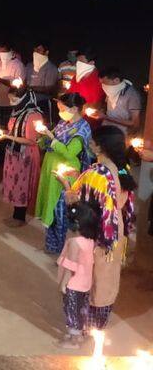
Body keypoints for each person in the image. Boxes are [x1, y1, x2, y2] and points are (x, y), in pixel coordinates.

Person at [62, 125, 137, 332]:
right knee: (106, 280)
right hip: (114, 232)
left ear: (99, 147)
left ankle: (79, 327)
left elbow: (78, 203)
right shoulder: (123, 169)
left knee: (85, 278)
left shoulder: (95, 174)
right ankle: (97, 326)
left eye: (93, 141)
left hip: (95, 231)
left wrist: (67, 188)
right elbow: (121, 200)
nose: (90, 144)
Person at [35, 93, 92, 254]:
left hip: (65, 173)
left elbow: (69, 152)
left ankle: (63, 251)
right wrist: (43, 135)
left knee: (61, 213)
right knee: (50, 208)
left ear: (74, 109)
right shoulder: (63, 122)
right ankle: (52, 246)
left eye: (62, 108)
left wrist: (52, 139)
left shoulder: (82, 129)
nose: (60, 112)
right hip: (50, 168)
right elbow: (48, 140)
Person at [0, 89, 45, 227]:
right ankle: (16, 213)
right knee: (14, 183)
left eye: (14, 100)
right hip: (14, 153)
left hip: (25, 155)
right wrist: (4, 132)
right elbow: (14, 130)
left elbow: (31, 141)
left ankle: (20, 217)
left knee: (22, 185)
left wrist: (7, 137)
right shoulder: (17, 111)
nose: (12, 103)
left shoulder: (33, 116)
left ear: (24, 99)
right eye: (10, 99)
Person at [56, 200, 98, 349]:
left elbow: (71, 265)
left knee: (71, 308)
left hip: (74, 283)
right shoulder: (90, 241)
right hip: (85, 282)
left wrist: (64, 282)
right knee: (80, 308)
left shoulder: (75, 242)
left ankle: (73, 340)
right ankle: (78, 335)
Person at [0, 44, 26, 165]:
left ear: (11, 51)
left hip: (9, 103)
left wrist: (1, 80)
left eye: (3, 52)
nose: (1, 55)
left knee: (6, 130)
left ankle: (3, 158)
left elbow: (18, 87)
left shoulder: (18, 65)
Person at [94, 68, 142, 136]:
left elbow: (134, 123)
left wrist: (106, 117)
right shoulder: (111, 90)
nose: (103, 86)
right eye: (101, 83)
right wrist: (101, 111)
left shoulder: (132, 95)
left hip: (120, 134)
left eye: (105, 83)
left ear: (116, 80)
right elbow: (107, 106)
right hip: (106, 128)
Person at [67, 48, 104, 130]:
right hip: (72, 118)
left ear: (91, 62)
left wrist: (77, 114)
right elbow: (69, 94)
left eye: (81, 61)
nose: (78, 64)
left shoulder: (98, 80)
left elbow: (95, 105)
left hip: (87, 123)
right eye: (78, 61)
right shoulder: (76, 77)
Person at [26, 43, 58, 124]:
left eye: (39, 50)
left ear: (46, 52)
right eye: (35, 50)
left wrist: (31, 88)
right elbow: (25, 82)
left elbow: (49, 89)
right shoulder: (29, 66)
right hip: (28, 102)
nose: (36, 52)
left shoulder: (51, 68)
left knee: (43, 125)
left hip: (43, 103)